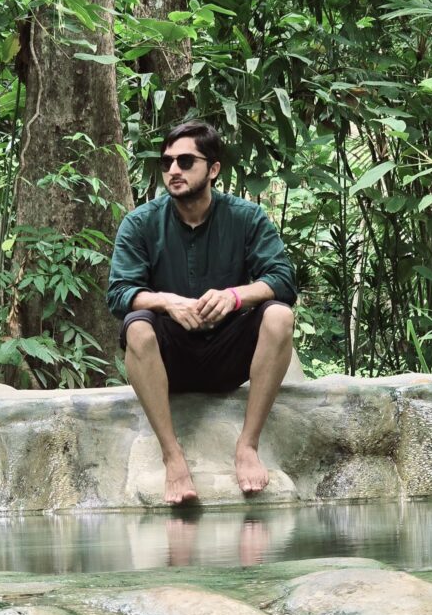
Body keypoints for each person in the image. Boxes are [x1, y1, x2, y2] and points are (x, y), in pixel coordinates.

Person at [106, 121, 297, 505]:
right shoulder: (140, 223)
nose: (173, 170)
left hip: (229, 356)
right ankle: (173, 458)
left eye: (185, 161)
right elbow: (119, 293)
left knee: (279, 316)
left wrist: (235, 296)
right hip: (171, 359)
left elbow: (284, 280)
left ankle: (247, 446)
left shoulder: (247, 217)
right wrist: (166, 302)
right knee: (137, 327)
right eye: (167, 163)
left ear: (212, 169)